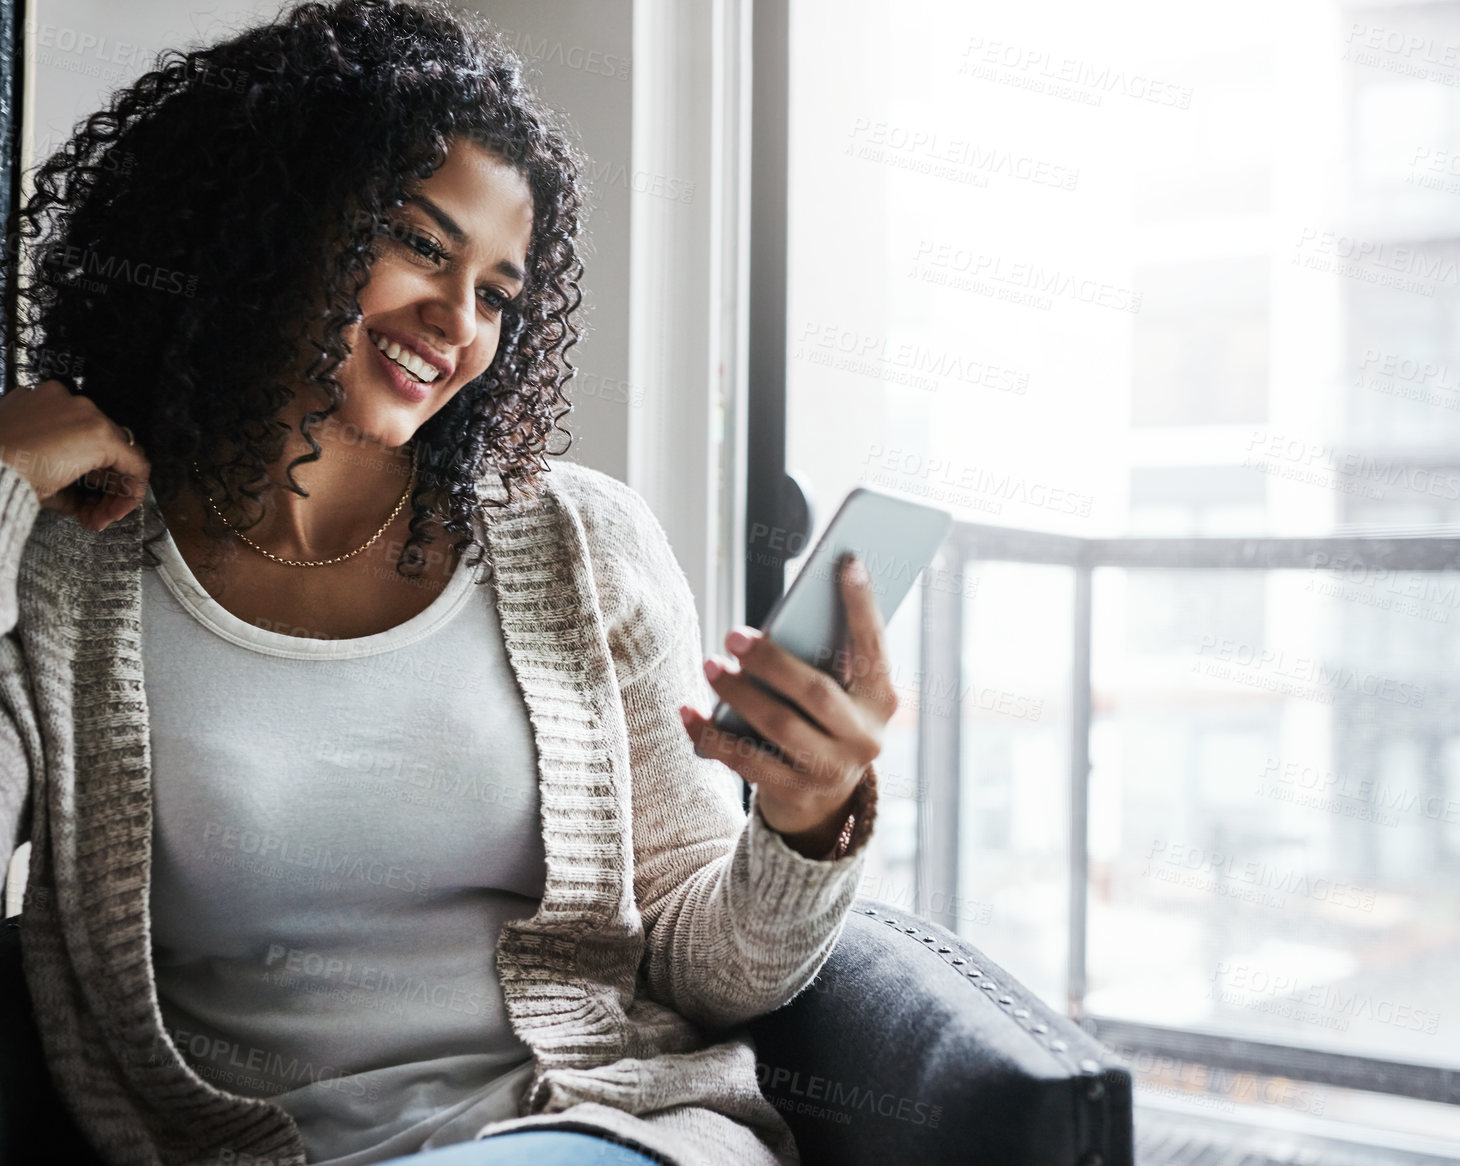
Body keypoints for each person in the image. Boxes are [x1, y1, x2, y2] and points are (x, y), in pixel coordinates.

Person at [0, 2, 889, 1163]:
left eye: (497, 292)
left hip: (597, 1133)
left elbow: (706, 961)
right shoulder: (72, 568)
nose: (457, 322)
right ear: (263, 216)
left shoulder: (581, 545)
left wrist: (808, 817)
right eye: (419, 244)